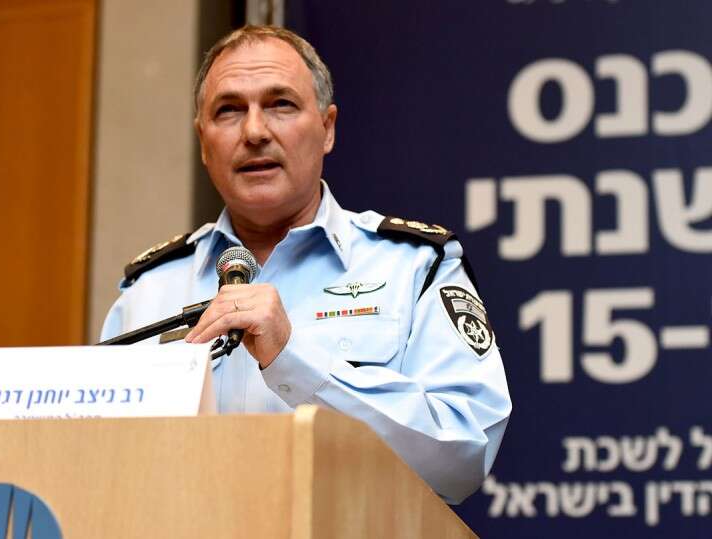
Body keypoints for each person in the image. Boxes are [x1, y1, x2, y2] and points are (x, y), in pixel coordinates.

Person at [101, 25, 511, 504]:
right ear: (203, 140)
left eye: (281, 104)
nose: (255, 132)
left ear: (327, 128)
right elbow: (98, 460)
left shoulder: (413, 267)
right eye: (229, 110)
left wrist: (294, 358)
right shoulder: (148, 290)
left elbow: (464, 456)